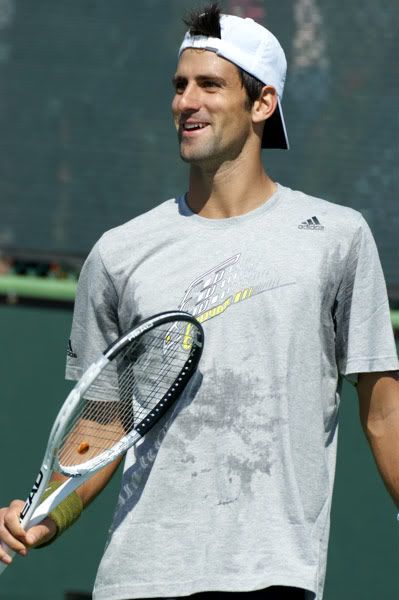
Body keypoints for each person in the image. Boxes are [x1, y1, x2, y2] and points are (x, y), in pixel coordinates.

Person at [1, 4, 398, 599]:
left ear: (262, 103)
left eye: (210, 85)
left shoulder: (338, 238)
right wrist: (48, 517)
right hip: (134, 580)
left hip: (272, 577)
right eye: (180, 85)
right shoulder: (118, 252)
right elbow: (105, 427)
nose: (186, 101)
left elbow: (384, 414)